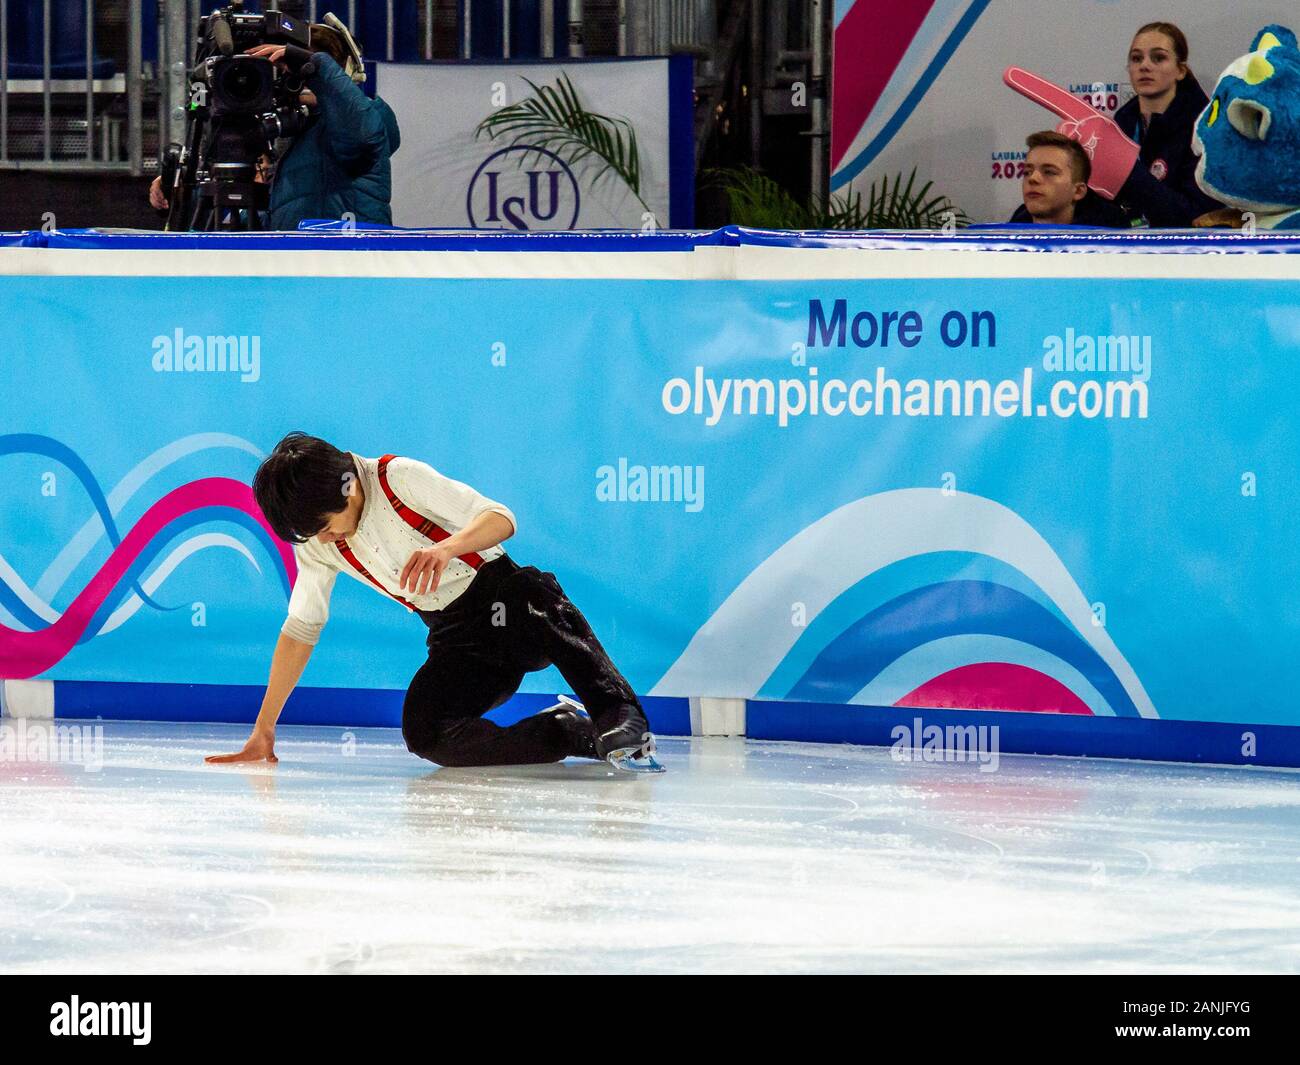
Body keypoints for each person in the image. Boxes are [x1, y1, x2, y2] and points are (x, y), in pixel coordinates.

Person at [205, 434, 652, 769]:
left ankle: (619, 713)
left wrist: (447, 549)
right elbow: (301, 629)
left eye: (323, 525)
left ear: (348, 489)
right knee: (426, 733)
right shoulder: (319, 545)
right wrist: (263, 730)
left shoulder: (397, 479)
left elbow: (501, 518)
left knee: (532, 595)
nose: (323, 538)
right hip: (459, 642)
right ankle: (569, 733)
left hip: (510, 607)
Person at [150, 22, 400, 230]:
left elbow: (360, 138)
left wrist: (317, 67)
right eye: (290, 68)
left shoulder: (372, 114)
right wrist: (185, 194)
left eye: (305, 65)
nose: (298, 74)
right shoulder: (297, 136)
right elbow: (274, 222)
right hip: (304, 269)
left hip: (352, 266)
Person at [1110, 21, 1221, 226]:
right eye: (1136, 58)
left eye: (1158, 58)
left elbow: (1197, 217)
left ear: (1180, 70)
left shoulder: (1205, 129)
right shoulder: (1120, 123)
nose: (1144, 65)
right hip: (1124, 249)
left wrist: (1132, 175)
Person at [1009, 131, 1127, 226]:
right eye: (1027, 172)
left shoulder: (1108, 246)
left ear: (1078, 191)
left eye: (1049, 172)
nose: (1033, 178)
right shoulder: (1008, 239)